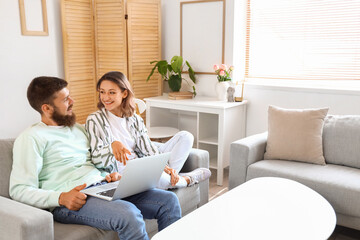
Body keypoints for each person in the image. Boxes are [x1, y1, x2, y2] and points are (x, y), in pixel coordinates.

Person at [9, 76, 181, 240]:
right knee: (128, 213)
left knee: (168, 201)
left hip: (102, 187)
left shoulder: (78, 129)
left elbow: (97, 160)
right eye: (65, 99)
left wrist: (109, 174)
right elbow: (19, 189)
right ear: (46, 108)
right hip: (71, 201)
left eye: (70, 97)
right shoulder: (31, 138)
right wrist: (60, 197)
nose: (72, 102)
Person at [85, 71, 211, 190]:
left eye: (112, 92)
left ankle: (171, 177)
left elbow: (147, 149)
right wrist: (112, 147)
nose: (105, 97)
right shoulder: (94, 120)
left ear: (124, 94)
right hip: (125, 173)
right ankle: (186, 179)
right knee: (160, 179)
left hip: (142, 163)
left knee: (186, 136)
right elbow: (96, 159)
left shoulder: (134, 119)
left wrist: (164, 167)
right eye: (102, 92)